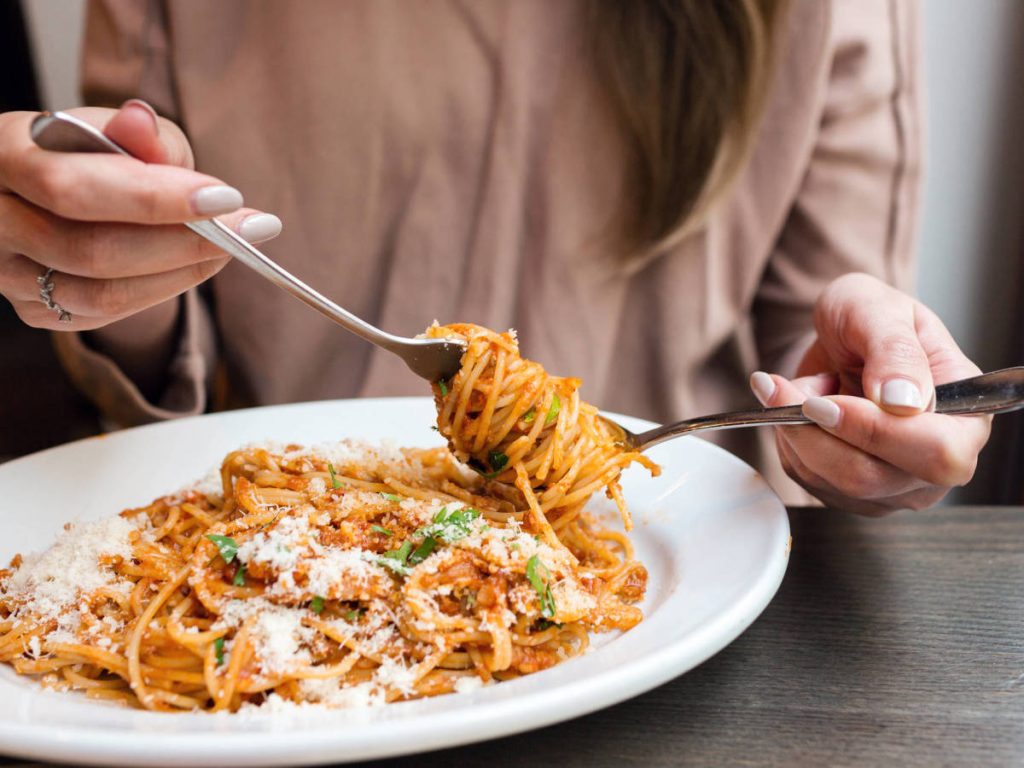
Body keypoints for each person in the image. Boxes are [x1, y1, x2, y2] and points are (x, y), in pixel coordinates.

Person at [0, 0, 990, 515]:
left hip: (668, 571)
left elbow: (819, 357)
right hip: (277, 542)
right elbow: (158, 356)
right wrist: (101, 261)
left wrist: (866, 426)